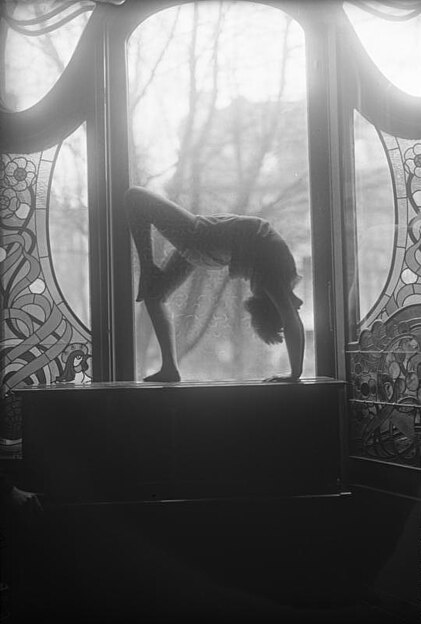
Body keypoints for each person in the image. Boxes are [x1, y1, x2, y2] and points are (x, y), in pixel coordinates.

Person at [125, 186, 305, 383]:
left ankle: (147, 267)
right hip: (208, 248)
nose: (298, 305)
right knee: (154, 296)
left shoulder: (273, 275)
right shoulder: (281, 276)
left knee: (134, 197)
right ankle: (169, 368)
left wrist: (295, 374)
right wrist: (295, 373)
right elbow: (290, 316)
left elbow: (291, 319)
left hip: (201, 239)